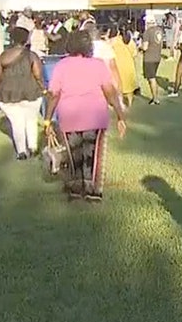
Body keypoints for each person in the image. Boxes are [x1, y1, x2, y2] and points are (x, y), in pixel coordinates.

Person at [44, 29, 128, 202]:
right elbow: (110, 92)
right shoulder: (98, 65)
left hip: (69, 117)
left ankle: (75, 190)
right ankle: (93, 191)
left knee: (74, 154)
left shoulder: (61, 66)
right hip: (95, 117)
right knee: (94, 155)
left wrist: (47, 120)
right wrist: (120, 115)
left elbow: (54, 95)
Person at [0, 26, 45, 160]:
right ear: (26, 39)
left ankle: (21, 151)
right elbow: (38, 75)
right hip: (31, 92)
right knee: (31, 120)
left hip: (8, 94)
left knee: (17, 123)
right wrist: (44, 89)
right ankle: (33, 147)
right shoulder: (32, 55)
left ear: (12, 39)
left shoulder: (3, 56)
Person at [108, 24, 139, 107]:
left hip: (118, 66)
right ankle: (130, 104)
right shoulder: (129, 41)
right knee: (129, 89)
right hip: (129, 66)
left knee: (119, 86)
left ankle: (120, 104)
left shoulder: (113, 40)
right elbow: (135, 53)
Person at [140, 16, 165, 104]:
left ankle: (155, 98)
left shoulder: (147, 32)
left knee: (151, 78)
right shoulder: (159, 30)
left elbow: (145, 47)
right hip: (157, 57)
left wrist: (140, 47)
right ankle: (155, 97)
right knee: (153, 77)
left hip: (149, 58)